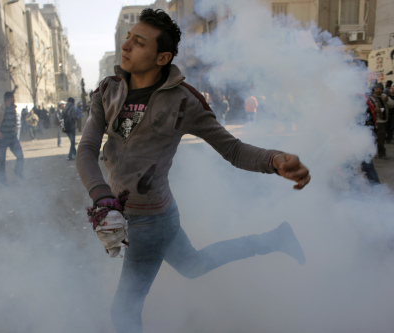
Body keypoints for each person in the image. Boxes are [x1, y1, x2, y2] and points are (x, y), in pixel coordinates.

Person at [76, 8, 311, 333]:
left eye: (139, 42)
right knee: (194, 265)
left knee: (123, 313)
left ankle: (275, 239)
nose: (126, 46)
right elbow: (88, 149)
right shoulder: (109, 90)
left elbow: (233, 149)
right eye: (128, 38)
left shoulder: (185, 102)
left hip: (151, 220)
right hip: (149, 211)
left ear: (162, 57)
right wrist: (103, 199)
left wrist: (273, 160)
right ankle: (275, 238)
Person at [0, 91, 24, 185]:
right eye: (13, 98)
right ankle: (3, 181)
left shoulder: (13, 109)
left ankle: (18, 171)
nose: (14, 100)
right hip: (2, 138)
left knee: (20, 156)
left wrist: (15, 132)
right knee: (1, 160)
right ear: (9, 99)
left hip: (12, 137)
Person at [368, 82, 394, 158]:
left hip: (382, 121)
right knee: (372, 139)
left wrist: (387, 100)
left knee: (381, 139)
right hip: (374, 121)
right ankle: (370, 153)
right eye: (377, 89)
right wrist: (373, 110)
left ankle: (382, 153)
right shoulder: (370, 98)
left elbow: (392, 105)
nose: (378, 90)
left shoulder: (385, 97)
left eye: (380, 89)